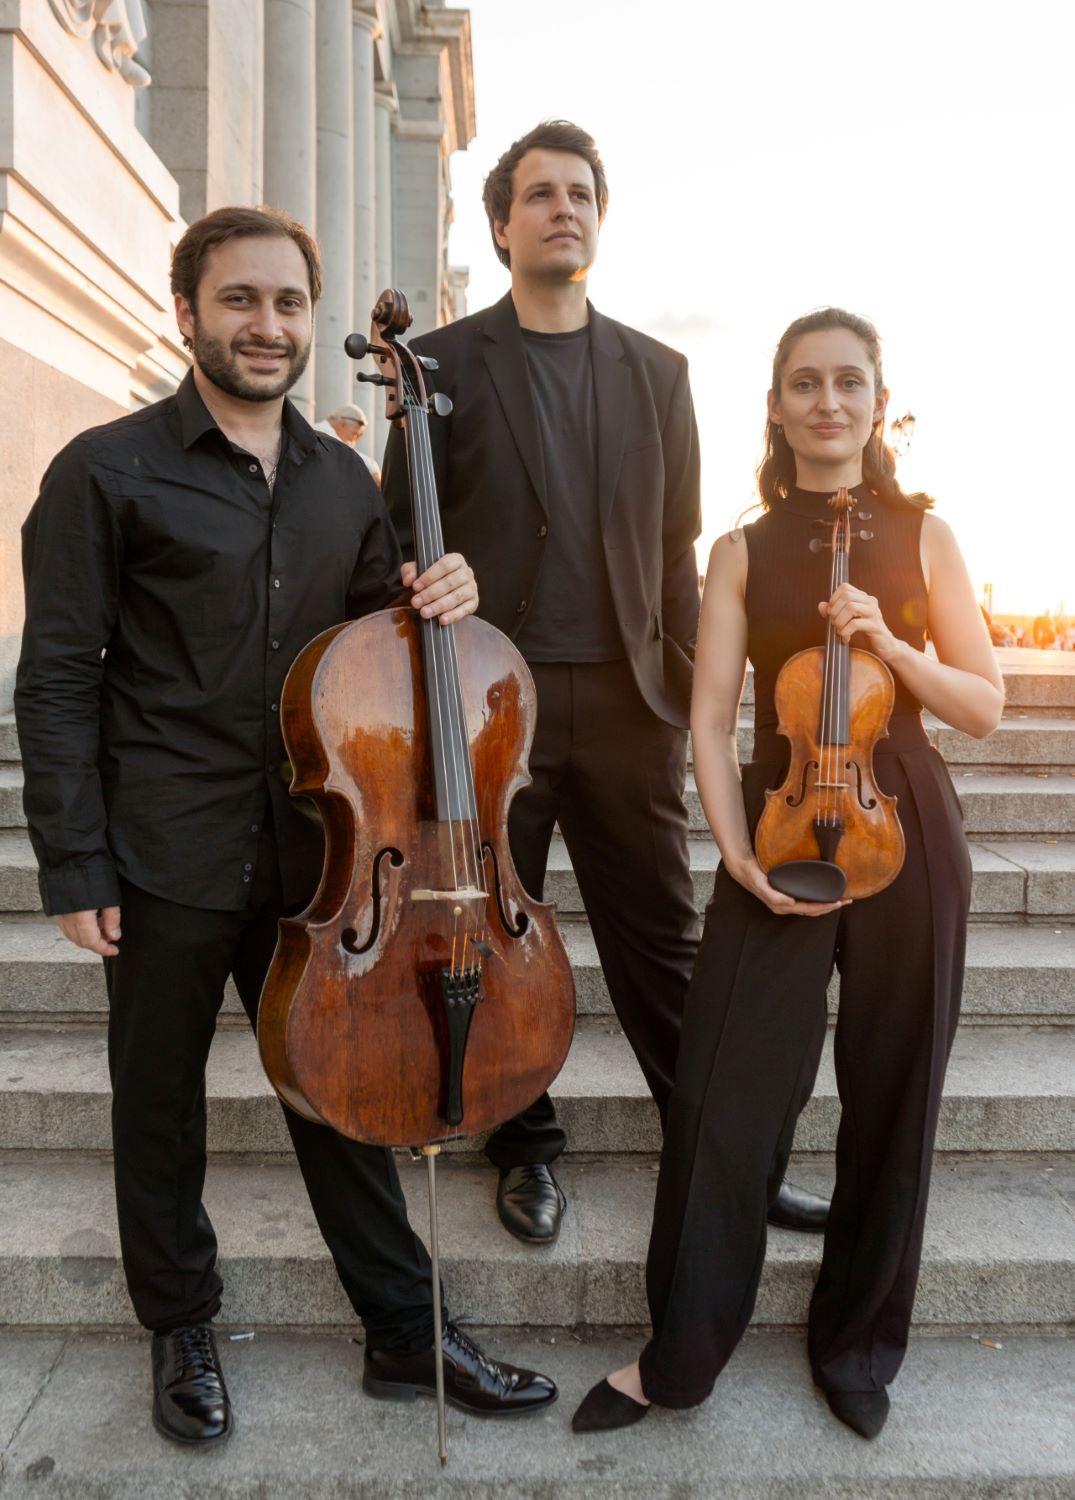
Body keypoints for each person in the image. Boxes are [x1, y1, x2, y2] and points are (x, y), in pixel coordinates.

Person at [14, 205, 557, 1448]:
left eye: (289, 304)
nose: (268, 326)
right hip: (163, 850)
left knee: (342, 1085)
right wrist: (74, 859)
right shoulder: (105, 469)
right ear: (189, 311)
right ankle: (181, 1327)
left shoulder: (342, 481)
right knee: (158, 1102)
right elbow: (53, 681)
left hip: (322, 857)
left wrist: (441, 597)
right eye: (242, 300)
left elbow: (384, 650)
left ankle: (403, 1332)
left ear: (313, 322)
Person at [382, 121, 830, 1247]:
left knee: (662, 945)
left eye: (579, 193)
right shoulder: (433, 366)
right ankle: (523, 1143)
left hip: (629, 706)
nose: (562, 209)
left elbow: (678, 549)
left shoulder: (659, 370)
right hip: (489, 711)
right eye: (539, 195)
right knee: (491, 932)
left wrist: (685, 695)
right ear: (501, 226)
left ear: (598, 216)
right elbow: (396, 533)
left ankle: (716, 1150)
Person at [571, 308, 1003, 1441]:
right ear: (774, 405)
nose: (825, 401)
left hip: (905, 819)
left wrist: (894, 644)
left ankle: (858, 1345)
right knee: (724, 1097)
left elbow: (984, 704)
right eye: (803, 383)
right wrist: (739, 855)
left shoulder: (923, 536)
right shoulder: (743, 549)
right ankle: (681, 1356)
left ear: (876, 400)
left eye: (847, 382)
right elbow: (710, 726)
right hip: (780, 832)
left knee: (894, 1091)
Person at [314, 401, 381, 483]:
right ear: (342, 424)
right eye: (354, 434)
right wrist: (373, 468)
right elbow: (346, 454)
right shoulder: (322, 432)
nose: (354, 439)